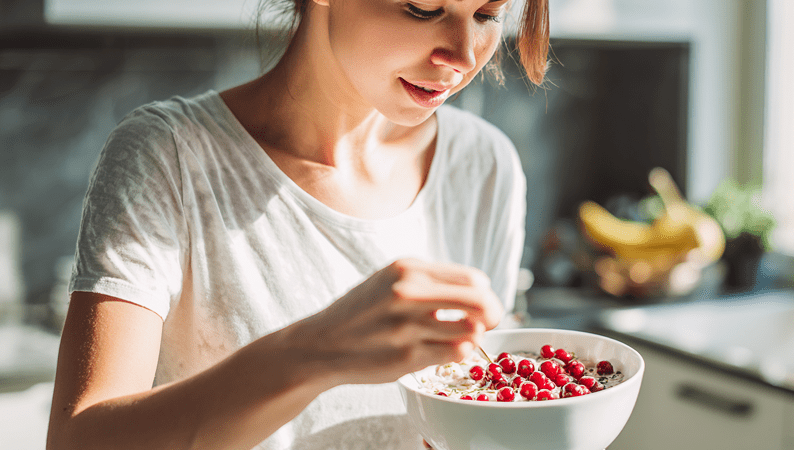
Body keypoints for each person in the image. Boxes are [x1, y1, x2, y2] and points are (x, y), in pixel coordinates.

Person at [46, 0, 549, 448]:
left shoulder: (484, 165)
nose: (462, 58)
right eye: (421, 9)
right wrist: (317, 351)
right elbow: (77, 441)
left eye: (488, 15)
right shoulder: (168, 158)